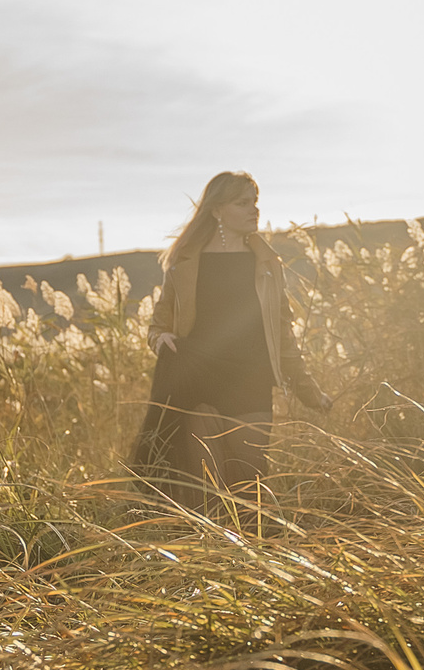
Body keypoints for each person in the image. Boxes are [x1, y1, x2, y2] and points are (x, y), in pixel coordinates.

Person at [127, 171, 331, 519]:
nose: (254, 210)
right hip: (197, 383)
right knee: (206, 495)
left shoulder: (266, 263)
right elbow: (157, 324)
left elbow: (283, 334)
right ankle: (210, 564)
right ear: (217, 211)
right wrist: (160, 338)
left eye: (255, 202)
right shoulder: (185, 262)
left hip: (250, 380)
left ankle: (255, 563)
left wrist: (308, 390)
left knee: (249, 491)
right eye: (243, 203)